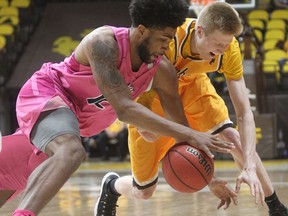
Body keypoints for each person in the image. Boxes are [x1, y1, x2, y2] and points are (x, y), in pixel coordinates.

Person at [0, 0, 235, 215]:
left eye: (171, 39)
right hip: (48, 94)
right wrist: (189, 133)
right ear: (142, 30)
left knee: (13, 175)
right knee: (71, 152)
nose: (167, 46)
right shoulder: (103, 43)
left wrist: (209, 177)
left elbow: (181, 128)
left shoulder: (163, 71)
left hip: (73, 122)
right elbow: (124, 110)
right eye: (163, 39)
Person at [95, 2, 288, 216]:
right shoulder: (168, 40)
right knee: (144, 190)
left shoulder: (228, 48)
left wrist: (249, 165)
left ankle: (276, 207)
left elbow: (244, 113)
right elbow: (152, 123)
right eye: (217, 44)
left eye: (227, 44)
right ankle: (112, 186)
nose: (222, 51)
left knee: (232, 137)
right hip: (151, 95)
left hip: (192, 85)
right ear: (200, 31)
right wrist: (209, 179)